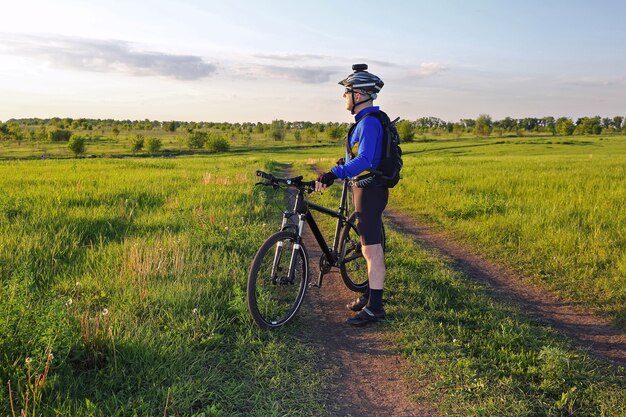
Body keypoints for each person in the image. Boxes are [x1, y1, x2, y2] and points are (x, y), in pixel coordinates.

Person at [315, 64, 388, 326]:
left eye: (347, 92)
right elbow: (360, 155)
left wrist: (335, 172)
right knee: (368, 245)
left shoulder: (369, 122)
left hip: (370, 190)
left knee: (371, 250)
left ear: (359, 95)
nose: (344, 97)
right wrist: (345, 162)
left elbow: (367, 160)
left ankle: (375, 308)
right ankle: (369, 295)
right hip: (363, 188)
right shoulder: (364, 122)